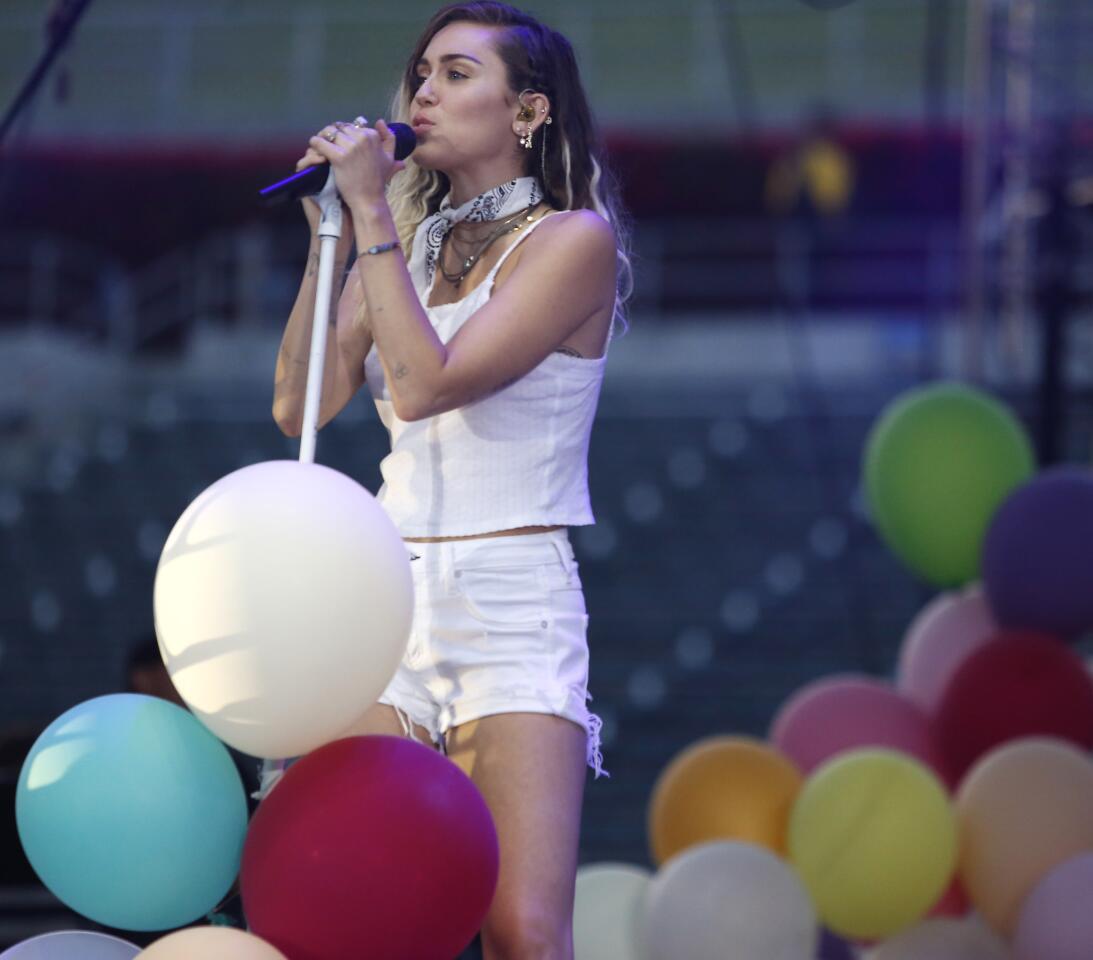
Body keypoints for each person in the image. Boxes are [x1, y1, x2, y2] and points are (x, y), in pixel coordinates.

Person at [271, 3, 630, 957]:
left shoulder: (572, 243)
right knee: (358, 901)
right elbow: (296, 404)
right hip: (387, 593)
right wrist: (335, 238)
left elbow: (427, 386)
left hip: (510, 599)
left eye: (458, 73)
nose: (423, 91)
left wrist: (375, 223)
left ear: (528, 110)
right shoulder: (406, 247)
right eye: (422, 72)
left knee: (517, 928)